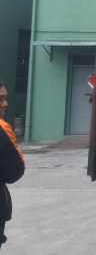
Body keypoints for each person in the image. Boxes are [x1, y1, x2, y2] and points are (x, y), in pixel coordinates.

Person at [0, 80, 26, 250]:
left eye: (5, 98)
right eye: (0, 99)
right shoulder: (2, 129)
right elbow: (14, 171)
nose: (5, 104)